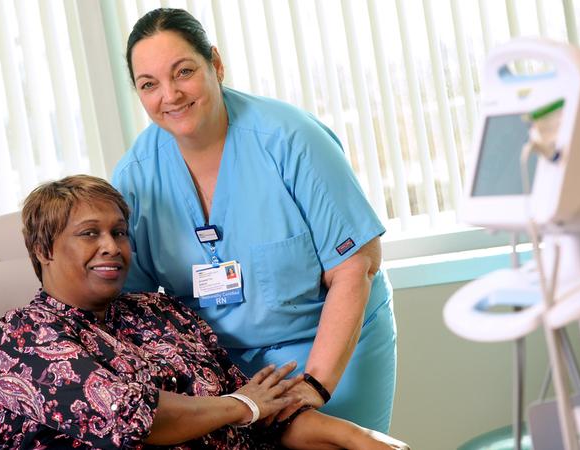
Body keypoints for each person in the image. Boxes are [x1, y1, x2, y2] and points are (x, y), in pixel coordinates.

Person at [111, 8, 397, 432]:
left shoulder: (289, 139)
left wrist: (316, 384)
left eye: (183, 72)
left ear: (216, 64)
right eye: (149, 84)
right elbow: (129, 303)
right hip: (220, 369)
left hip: (327, 345)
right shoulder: (136, 176)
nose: (169, 95)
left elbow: (356, 265)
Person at [0, 175, 409, 449]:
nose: (111, 246)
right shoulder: (25, 335)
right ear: (43, 250)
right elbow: (133, 420)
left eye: (119, 232)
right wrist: (241, 406)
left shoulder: (158, 311)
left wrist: (360, 437)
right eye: (89, 234)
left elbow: (269, 413)